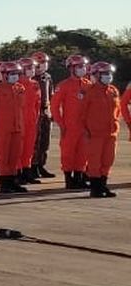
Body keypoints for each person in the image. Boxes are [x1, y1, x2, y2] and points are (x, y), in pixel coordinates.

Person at [0, 61, 31, 194]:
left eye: (17, 74)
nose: (15, 76)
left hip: (17, 128)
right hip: (3, 128)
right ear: (4, 75)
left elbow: (21, 109)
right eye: (12, 74)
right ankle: (4, 183)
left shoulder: (20, 88)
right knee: (4, 156)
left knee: (15, 156)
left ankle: (13, 181)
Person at [53, 54, 92, 189]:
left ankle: (79, 178)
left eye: (84, 66)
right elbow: (54, 107)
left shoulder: (89, 85)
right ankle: (69, 179)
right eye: (79, 66)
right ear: (71, 68)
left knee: (83, 153)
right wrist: (61, 124)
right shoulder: (64, 86)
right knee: (68, 153)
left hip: (85, 127)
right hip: (69, 126)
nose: (83, 69)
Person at [82, 62, 120, 198]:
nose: (108, 76)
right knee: (95, 161)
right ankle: (95, 188)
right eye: (105, 74)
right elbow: (82, 113)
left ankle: (103, 185)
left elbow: (117, 110)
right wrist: (85, 130)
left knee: (108, 160)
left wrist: (116, 126)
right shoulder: (89, 92)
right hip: (95, 133)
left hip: (111, 133)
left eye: (109, 74)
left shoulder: (113, 91)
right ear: (97, 75)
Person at [30, 51, 56, 179]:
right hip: (35, 111)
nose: (42, 65)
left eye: (44, 62)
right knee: (35, 140)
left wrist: (52, 111)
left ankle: (41, 165)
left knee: (45, 141)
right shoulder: (30, 78)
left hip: (46, 111)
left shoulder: (48, 77)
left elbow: (51, 95)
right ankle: (32, 166)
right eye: (39, 63)